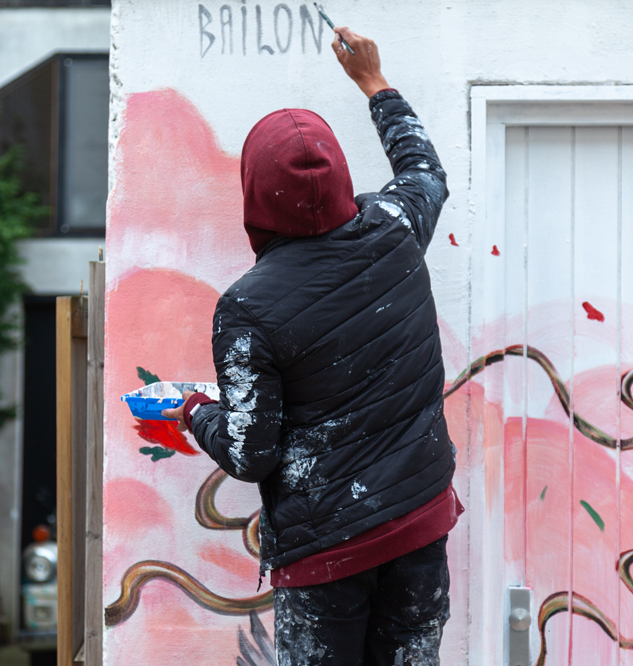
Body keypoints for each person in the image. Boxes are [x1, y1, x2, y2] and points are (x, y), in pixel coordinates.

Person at [162, 25, 460, 666]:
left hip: (327, 557)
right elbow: (425, 171)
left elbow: (250, 453)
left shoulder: (246, 309)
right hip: (421, 522)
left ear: (254, 192)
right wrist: (375, 84)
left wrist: (192, 410)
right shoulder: (396, 228)